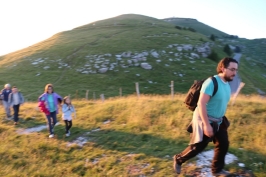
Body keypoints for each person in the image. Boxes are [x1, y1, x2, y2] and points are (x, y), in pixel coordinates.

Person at [173, 57, 239, 176]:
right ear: (223, 68)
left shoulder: (227, 84)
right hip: (205, 120)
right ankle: (178, 159)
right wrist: (207, 125)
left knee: (223, 144)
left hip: (219, 121)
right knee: (197, 148)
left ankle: (217, 170)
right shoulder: (212, 82)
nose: (235, 73)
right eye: (232, 69)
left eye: (236, 70)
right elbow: (201, 103)